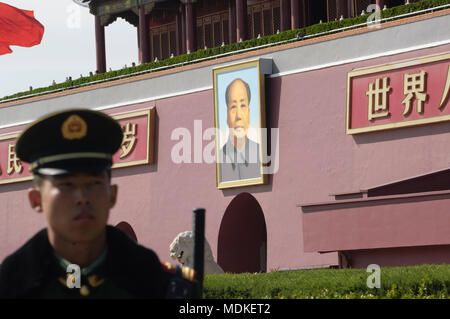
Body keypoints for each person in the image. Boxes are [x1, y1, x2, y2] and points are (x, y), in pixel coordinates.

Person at [0, 109, 196, 298]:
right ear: (36, 199)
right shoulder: (11, 285)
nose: (82, 197)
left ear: (112, 194)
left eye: (94, 183)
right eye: (66, 185)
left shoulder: (166, 287)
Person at [219, 78, 261, 183]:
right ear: (227, 116)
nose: (238, 116)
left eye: (243, 106)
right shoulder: (219, 159)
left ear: (249, 113)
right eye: (233, 107)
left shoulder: (260, 154)